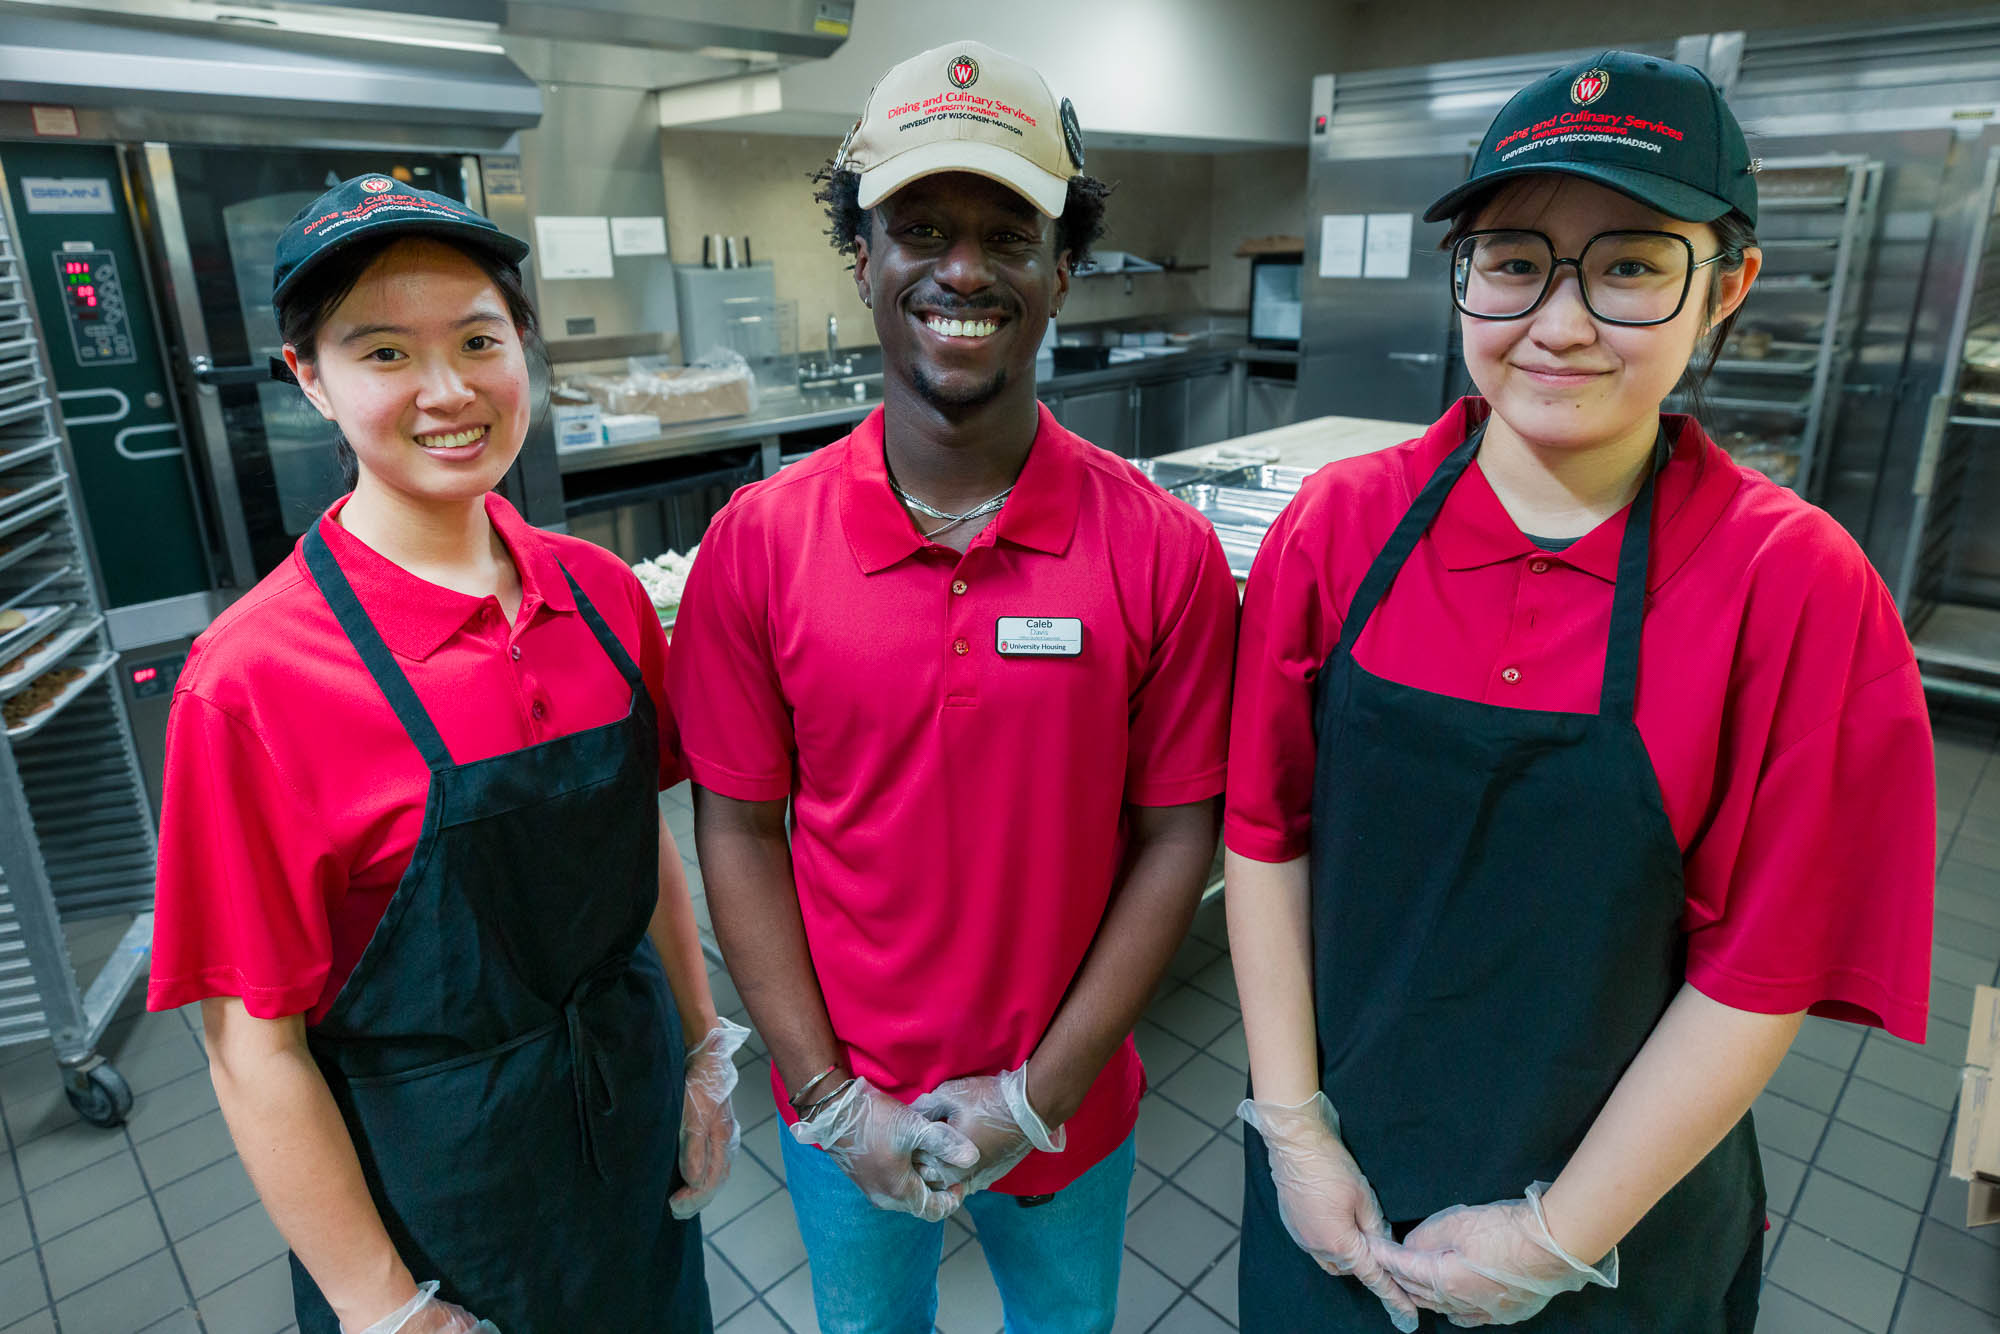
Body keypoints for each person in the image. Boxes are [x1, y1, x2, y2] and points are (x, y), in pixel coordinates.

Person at [1225, 51, 1935, 1331]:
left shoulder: (1794, 587)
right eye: (1511, 260)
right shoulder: (1336, 532)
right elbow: (1264, 836)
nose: (1555, 322)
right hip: (1338, 1196)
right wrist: (1290, 1130)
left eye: (1626, 264)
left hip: (1621, 1237)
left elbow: (1758, 970)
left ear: (1727, 287)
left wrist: (1555, 1234)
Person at [666, 39, 1238, 1334]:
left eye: (1008, 232)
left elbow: (1174, 839)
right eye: (920, 227)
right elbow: (739, 829)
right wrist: (823, 1098)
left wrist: (1036, 1096)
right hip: (847, 1107)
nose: (963, 269)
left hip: (1071, 1118)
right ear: (863, 258)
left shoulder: (1161, 551)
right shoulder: (759, 546)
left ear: (1062, 270)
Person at [148, 176, 744, 1334]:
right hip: (438, 1204)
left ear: (522, 347)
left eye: (479, 338)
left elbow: (639, 852)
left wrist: (701, 1041)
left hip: (628, 1144)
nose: (446, 390)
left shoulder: (604, 597)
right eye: (383, 352)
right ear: (309, 378)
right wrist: (383, 1305)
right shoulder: (251, 681)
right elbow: (250, 1049)